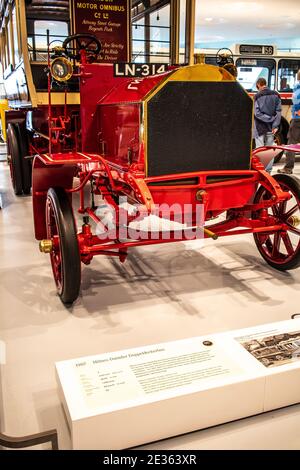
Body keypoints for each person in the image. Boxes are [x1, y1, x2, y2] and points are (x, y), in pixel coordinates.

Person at [254, 77, 282, 173]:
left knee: (260, 150)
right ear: (265, 84)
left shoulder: (257, 96)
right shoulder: (276, 95)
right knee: (270, 150)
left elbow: (257, 113)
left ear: (258, 84)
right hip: (272, 128)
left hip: (259, 127)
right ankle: (268, 171)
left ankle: (260, 170)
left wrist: (267, 119)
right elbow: (278, 111)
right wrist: (275, 125)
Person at [278, 69, 300, 174]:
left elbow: (296, 103)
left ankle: (288, 167)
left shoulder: (297, 89)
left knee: (291, 143)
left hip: (297, 119)